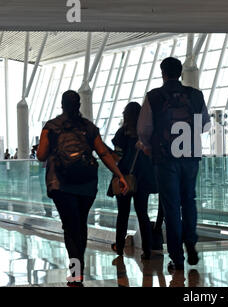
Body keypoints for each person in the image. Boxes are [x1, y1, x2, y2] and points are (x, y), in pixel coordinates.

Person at [37, 90, 128, 287]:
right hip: (86, 184)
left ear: (62, 105)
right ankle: (78, 269)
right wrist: (119, 175)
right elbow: (103, 153)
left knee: (70, 227)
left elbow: (42, 155)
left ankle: (76, 273)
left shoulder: (51, 127)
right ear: (79, 105)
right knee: (80, 225)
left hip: (60, 183)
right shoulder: (88, 127)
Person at [137, 57, 210, 272]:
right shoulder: (196, 96)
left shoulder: (154, 97)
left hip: (165, 158)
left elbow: (144, 130)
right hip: (190, 157)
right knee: (189, 199)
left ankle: (177, 257)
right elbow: (205, 124)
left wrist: (150, 147)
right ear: (180, 73)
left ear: (163, 73)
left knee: (171, 205)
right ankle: (191, 241)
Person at [109, 102, 158, 260]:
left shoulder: (122, 134)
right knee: (142, 213)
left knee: (122, 214)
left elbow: (117, 156)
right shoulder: (146, 134)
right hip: (143, 179)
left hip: (124, 178)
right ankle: (147, 249)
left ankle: (119, 247)